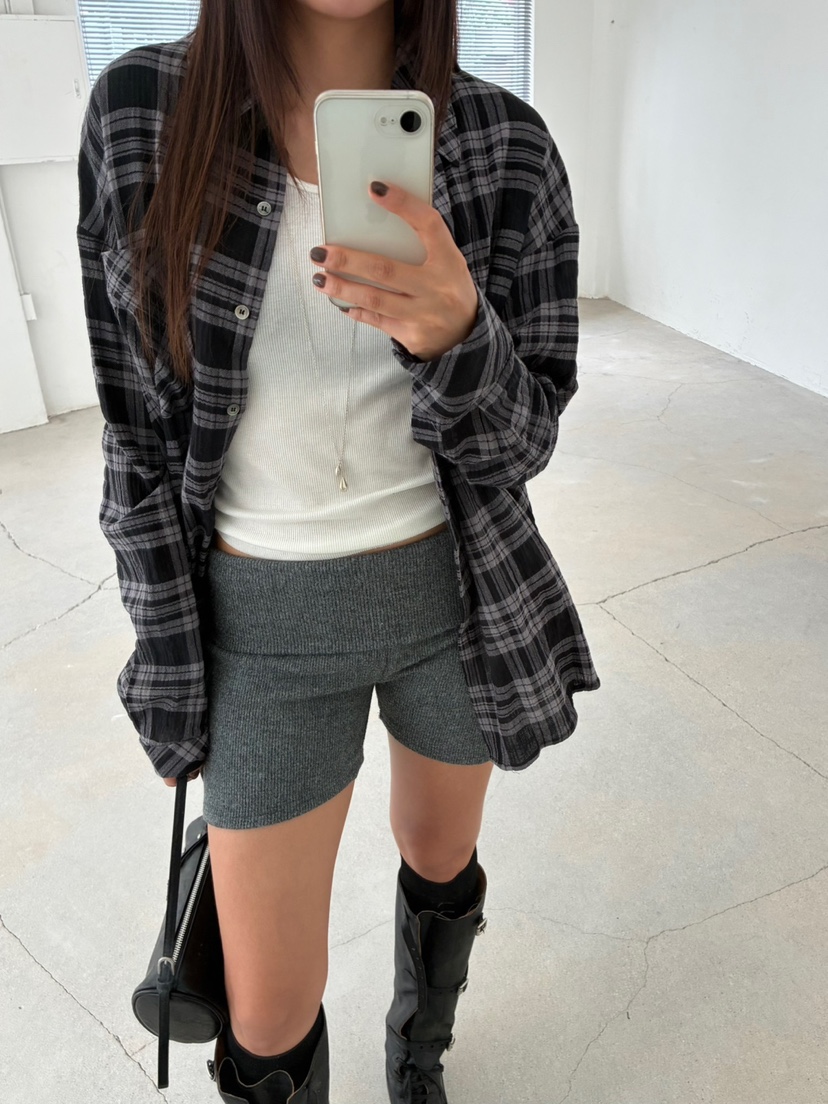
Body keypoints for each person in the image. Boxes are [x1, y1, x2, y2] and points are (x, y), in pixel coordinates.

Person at [76, 1, 600, 1101]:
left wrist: (458, 335)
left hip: (454, 598)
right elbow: (136, 438)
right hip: (260, 629)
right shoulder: (143, 116)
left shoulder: (506, 145)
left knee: (439, 859)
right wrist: (167, 661)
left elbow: (525, 441)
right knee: (264, 1015)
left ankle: (418, 1052)